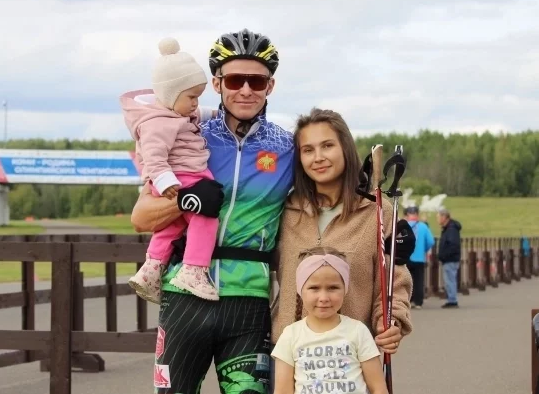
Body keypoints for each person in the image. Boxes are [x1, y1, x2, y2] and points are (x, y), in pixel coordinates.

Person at [129, 29, 294, 394]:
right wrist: (186, 200)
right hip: (183, 298)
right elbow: (141, 218)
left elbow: (328, 199)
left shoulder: (287, 147)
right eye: (235, 80)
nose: (246, 90)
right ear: (217, 83)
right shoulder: (187, 133)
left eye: (257, 81)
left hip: (248, 303)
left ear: (270, 86)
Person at [271, 108, 415, 370]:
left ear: (345, 148)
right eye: (308, 150)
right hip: (289, 360)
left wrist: (392, 321)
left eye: (327, 146)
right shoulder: (284, 211)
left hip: (350, 361)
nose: (318, 157)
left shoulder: (377, 212)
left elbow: (394, 281)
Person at [122, 37, 220, 302]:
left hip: (177, 177)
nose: (195, 103)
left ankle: (151, 269)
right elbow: (153, 157)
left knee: (172, 225)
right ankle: (194, 269)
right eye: (192, 97)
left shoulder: (177, 112)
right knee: (205, 216)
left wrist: (217, 113)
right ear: (171, 95)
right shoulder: (158, 123)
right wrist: (165, 182)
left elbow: (199, 113)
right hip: (181, 177)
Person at [271, 247, 388, 394]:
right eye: (314, 288)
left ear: (345, 289)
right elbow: (282, 391)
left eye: (333, 288)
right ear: (301, 290)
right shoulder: (290, 336)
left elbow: (378, 388)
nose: (324, 298)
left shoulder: (358, 331)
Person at [405, 205, 435, 309]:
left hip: (406, 257)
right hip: (419, 258)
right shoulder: (423, 226)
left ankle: (408, 300)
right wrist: (424, 249)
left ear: (407, 215)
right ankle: (418, 302)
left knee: (407, 280)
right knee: (419, 280)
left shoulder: (403, 226)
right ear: (417, 214)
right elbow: (431, 241)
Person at [437, 207, 462, 308]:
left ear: (444, 217)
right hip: (449, 259)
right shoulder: (449, 228)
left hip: (450, 259)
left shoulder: (451, 229)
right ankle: (451, 298)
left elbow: (453, 245)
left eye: (439, 217)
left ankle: (452, 300)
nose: (438, 219)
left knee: (450, 280)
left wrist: (444, 255)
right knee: (449, 280)